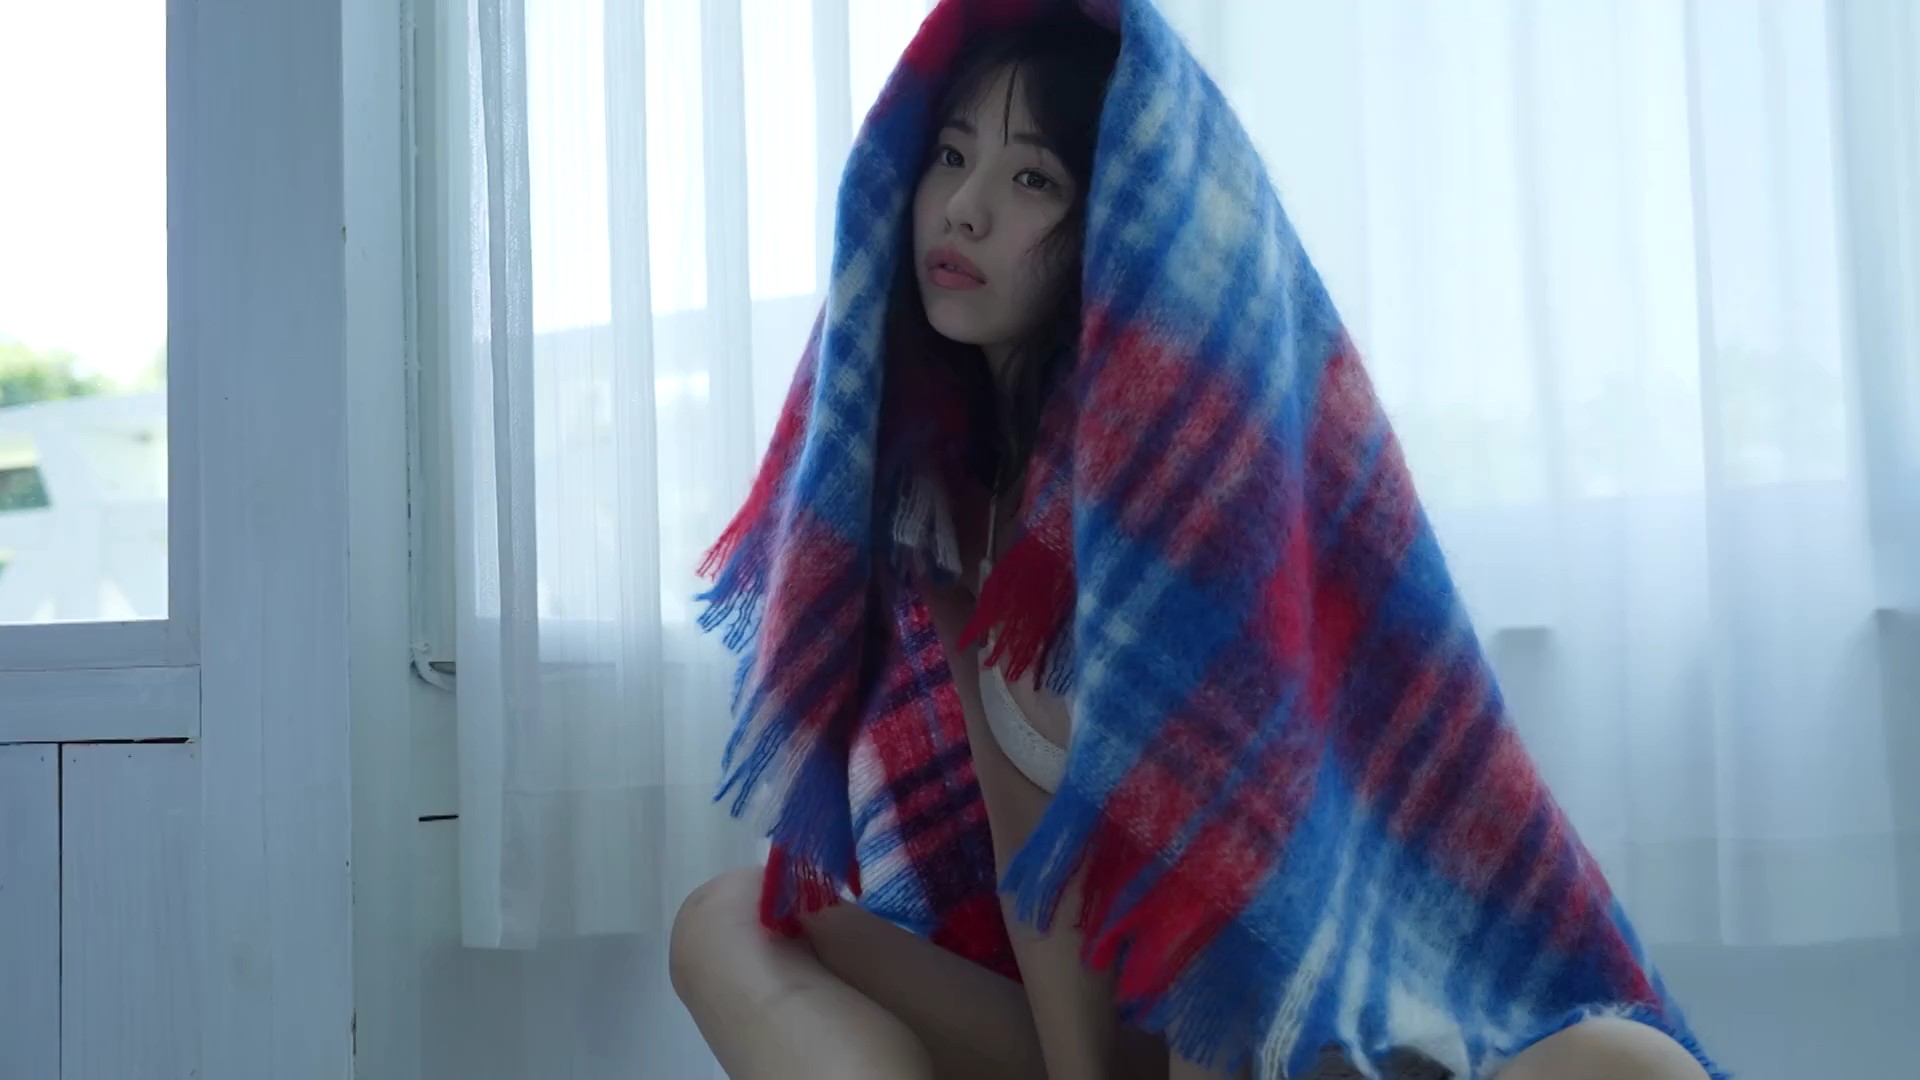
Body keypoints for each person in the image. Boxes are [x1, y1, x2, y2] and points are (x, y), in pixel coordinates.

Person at [672, 4, 1719, 1079]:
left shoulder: (1203, 505)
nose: (965, 210)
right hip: (1139, 1038)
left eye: (1032, 178)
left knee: (1631, 1067)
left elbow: (1242, 902)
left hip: (1301, 1036)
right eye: (949, 155)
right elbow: (1035, 863)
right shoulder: (953, 505)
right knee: (735, 917)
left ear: (1125, 222)